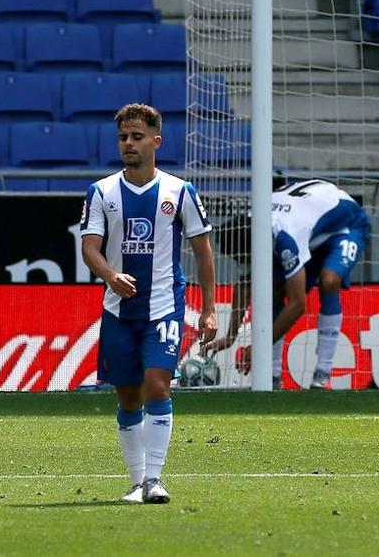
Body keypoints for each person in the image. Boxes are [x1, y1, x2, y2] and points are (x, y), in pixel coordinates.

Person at [81, 103, 217, 505]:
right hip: (118, 311)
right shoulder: (101, 192)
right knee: (126, 396)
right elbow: (90, 248)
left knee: (156, 384)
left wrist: (208, 309)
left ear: (156, 141)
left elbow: (203, 251)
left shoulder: (179, 191)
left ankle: (155, 480)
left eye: (137, 137)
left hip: (163, 307)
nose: (129, 144)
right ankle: (138, 482)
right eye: (124, 137)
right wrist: (110, 275)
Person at [206, 178, 370, 390]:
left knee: (330, 281)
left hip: (346, 224)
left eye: (246, 259)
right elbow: (245, 283)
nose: (245, 263)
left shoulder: (286, 237)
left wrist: (259, 349)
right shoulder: (249, 229)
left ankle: (322, 374)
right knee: (273, 288)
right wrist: (230, 336)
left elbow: (297, 304)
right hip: (312, 224)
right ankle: (273, 377)